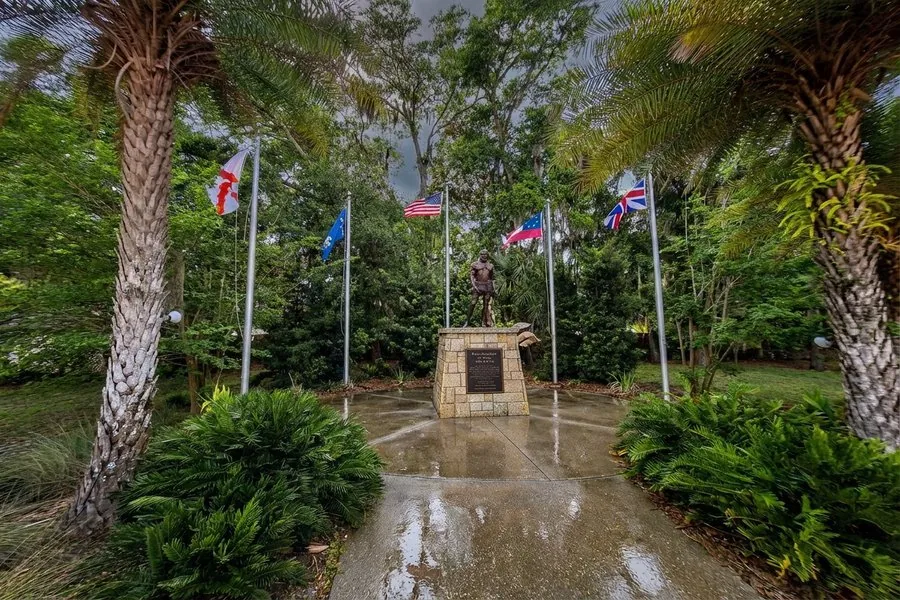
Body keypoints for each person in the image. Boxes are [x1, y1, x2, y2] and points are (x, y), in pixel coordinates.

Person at [464, 249, 495, 327]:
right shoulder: (475, 264)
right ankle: (467, 321)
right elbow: (472, 276)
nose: (484, 256)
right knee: (473, 303)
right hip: (477, 286)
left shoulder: (490, 266)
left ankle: (483, 322)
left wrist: (492, 288)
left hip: (487, 287)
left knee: (485, 305)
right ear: (480, 255)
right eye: (482, 254)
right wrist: (474, 285)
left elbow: (492, 278)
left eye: (486, 254)